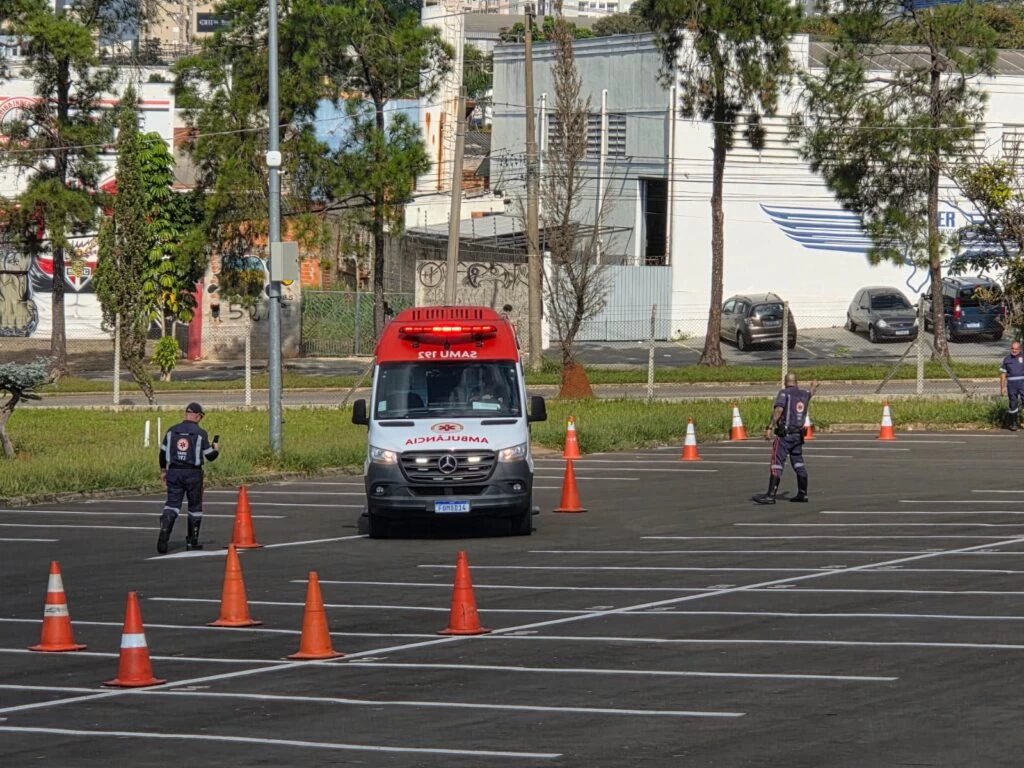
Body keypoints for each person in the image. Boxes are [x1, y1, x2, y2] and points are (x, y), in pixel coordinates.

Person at [157, 402, 219, 554]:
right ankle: (192, 541)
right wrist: (216, 448)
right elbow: (210, 456)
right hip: (193, 473)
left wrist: (164, 470)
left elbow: (162, 454)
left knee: (172, 504)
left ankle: (165, 528)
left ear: (186, 414)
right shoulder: (200, 433)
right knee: (195, 507)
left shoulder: (172, 431)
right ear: (197, 416)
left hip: (174, 472)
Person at [753, 374, 818, 505]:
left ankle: (771, 495)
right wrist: (813, 387)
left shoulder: (784, 393)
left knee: (777, 462)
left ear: (785, 382)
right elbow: (810, 394)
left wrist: (769, 427)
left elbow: (778, 410)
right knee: (798, 462)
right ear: (796, 382)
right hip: (798, 436)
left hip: (785, 435)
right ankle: (802, 493)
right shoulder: (804, 394)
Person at [1000, 341, 1024, 431]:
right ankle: (1014, 423)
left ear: (1019, 349)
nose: (1014, 350)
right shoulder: (1007, 359)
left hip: (1022, 383)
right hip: (1011, 385)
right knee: (1013, 403)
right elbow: (1003, 374)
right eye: (1012, 349)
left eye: (1016, 349)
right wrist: (1002, 388)